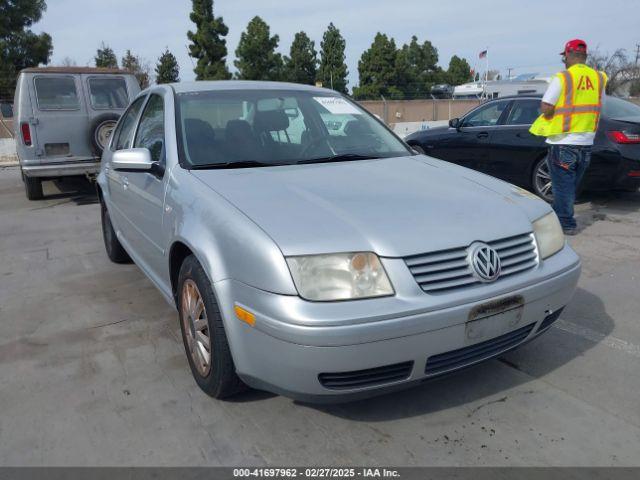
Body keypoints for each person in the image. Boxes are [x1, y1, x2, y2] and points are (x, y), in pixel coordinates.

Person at [530, 39, 607, 235]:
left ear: (568, 55)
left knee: (562, 187)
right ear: (585, 56)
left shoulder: (563, 78)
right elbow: (598, 105)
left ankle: (566, 224)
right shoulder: (599, 78)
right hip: (586, 143)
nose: (563, 60)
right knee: (570, 186)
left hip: (563, 142)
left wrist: (551, 113)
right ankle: (559, 219)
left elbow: (546, 107)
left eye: (564, 57)